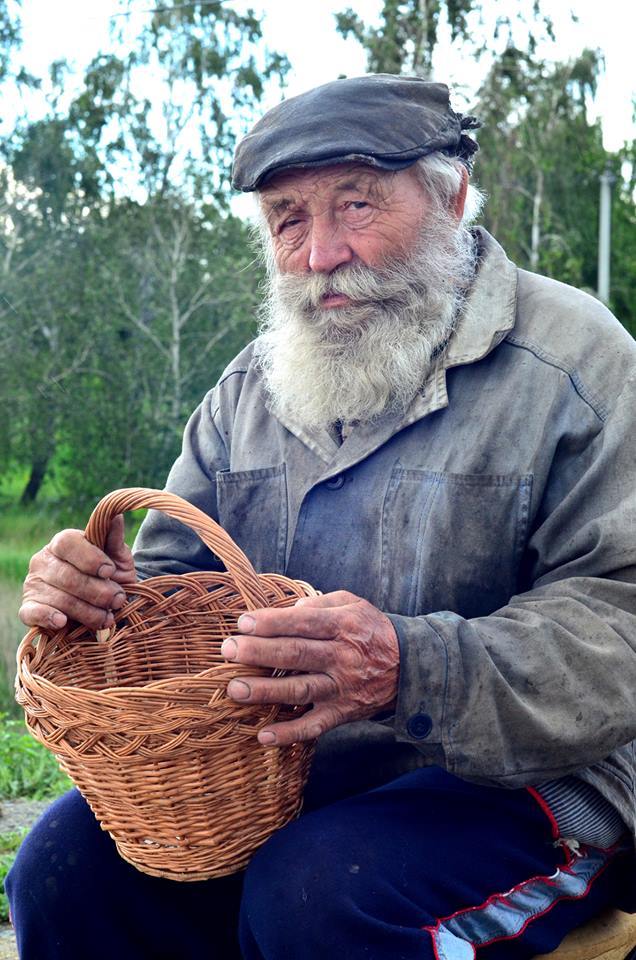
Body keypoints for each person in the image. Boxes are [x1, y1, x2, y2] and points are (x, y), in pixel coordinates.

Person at [7, 74, 636, 959]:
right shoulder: (246, 392)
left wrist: (411, 666)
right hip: (287, 776)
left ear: (452, 194)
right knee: (60, 866)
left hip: (534, 784)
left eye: (356, 203)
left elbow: (621, 624)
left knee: (316, 896)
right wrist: (99, 600)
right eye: (288, 220)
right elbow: (173, 587)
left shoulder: (577, 366)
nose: (321, 254)